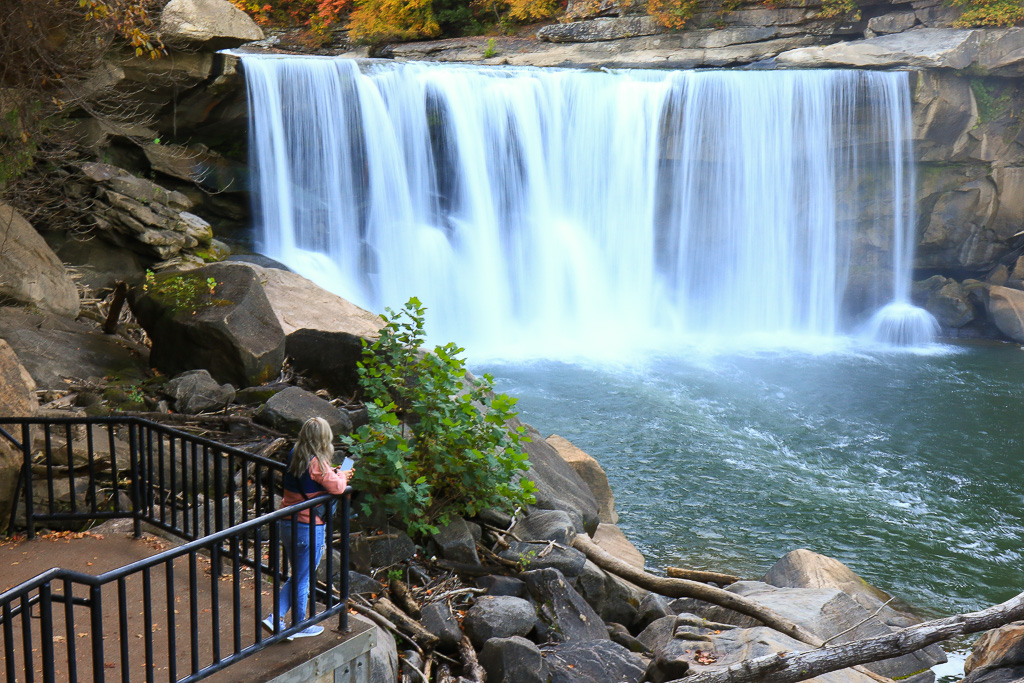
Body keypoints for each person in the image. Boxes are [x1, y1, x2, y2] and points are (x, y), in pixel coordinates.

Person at [263, 417, 352, 639]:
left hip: (287, 523)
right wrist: (344, 473)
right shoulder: (318, 462)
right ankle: (299, 625)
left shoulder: (296, 453)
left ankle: (276, 618)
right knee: (303, 578)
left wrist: (332, 472)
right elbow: (339, 487)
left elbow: (314, 478)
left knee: (298, 575)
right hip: (307, 527)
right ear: (324, 438)